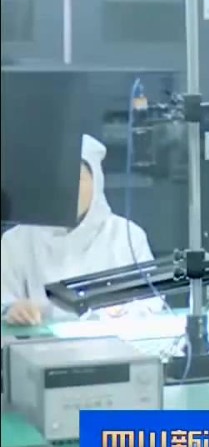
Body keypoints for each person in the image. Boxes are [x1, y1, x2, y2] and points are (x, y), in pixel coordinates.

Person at [1, 134, 155, 326]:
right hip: (39, 345)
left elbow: (152, 302)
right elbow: (4, 300)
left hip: (112, 343)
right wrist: (13, 310)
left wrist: (126, 311)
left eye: (78, 178)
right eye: (60, 179)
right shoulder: (16, 240)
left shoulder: (127, 236)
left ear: (96, 182)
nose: (69, 189)